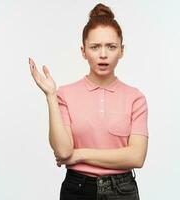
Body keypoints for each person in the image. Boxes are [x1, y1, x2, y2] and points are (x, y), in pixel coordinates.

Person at [29, 3, 149, 200]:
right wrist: (50, 96)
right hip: (77, 189)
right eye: (95, 47)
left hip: (122, 191)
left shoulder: (135, 98)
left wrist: (81, 154)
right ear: (83, 51)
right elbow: (63, 150)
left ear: (121, 50)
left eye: (111, 47)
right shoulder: (64, 94)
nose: (103, 54)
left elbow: (136, 157)